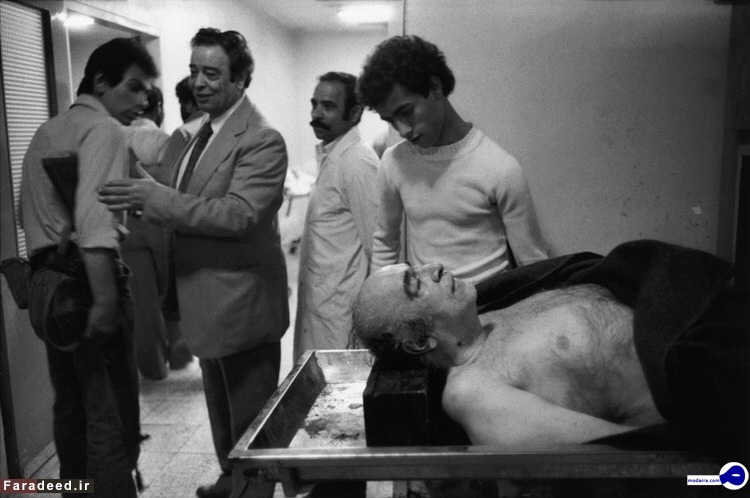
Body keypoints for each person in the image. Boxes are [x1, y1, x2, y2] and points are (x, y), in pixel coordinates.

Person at [98, 28, 289, 498]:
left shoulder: (262, 138)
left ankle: (248, 489)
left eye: (212, 74)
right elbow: (172, 189)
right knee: (223, 419)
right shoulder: (198, 133)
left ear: (240, 78)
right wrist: (134, 177)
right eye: (194, 72)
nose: (199, 83)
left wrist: (156, 198)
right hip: (204, 303)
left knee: (251, 434)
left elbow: (239, 214)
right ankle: (229, 482)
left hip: (241, 306)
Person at [353, 240, 749, 457]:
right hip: (714, 380)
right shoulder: (474, 393)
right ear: (419, 341)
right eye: (416, 283)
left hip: (711, 317)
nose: (434, 267)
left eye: (417, 267)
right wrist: (712, 465)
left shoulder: (493, 310)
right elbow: (619, 454)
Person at [21, 37, 157, 497]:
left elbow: (31, 212)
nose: (143, 102)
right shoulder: (104, 130)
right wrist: (103, 300)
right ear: (100, 81)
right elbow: (96, 223)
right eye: (134, 88)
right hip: (86, 284)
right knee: (109, 414)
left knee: (71, 407)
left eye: (147, 92)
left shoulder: (48, 130)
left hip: (49, 288)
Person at [358, 36, 549, 285]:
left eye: (406, 112)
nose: (402, 130)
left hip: (490, 303)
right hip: (426, 304)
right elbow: (385, 243)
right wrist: (379, 301)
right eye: (390, 120)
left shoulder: (500, 168)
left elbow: (533, 263)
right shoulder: (393, 162)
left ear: (435, 87)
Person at [293, 72, 379, 360]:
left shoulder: (357, 162)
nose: (316, 114)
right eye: (314, 104)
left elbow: (378, 248)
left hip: (341, 313)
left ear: (354, 113)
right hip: (322, 305)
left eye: (328, 106)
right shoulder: (332, 156)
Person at [123, 86, 192, 379]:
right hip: (158, 224)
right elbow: (175, 184)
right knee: (169, 292)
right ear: (159, 108)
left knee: (142, 301)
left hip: (125, 226)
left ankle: (152, 365)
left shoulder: (116, 136)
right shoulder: (161, 139)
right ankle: (171, 355)